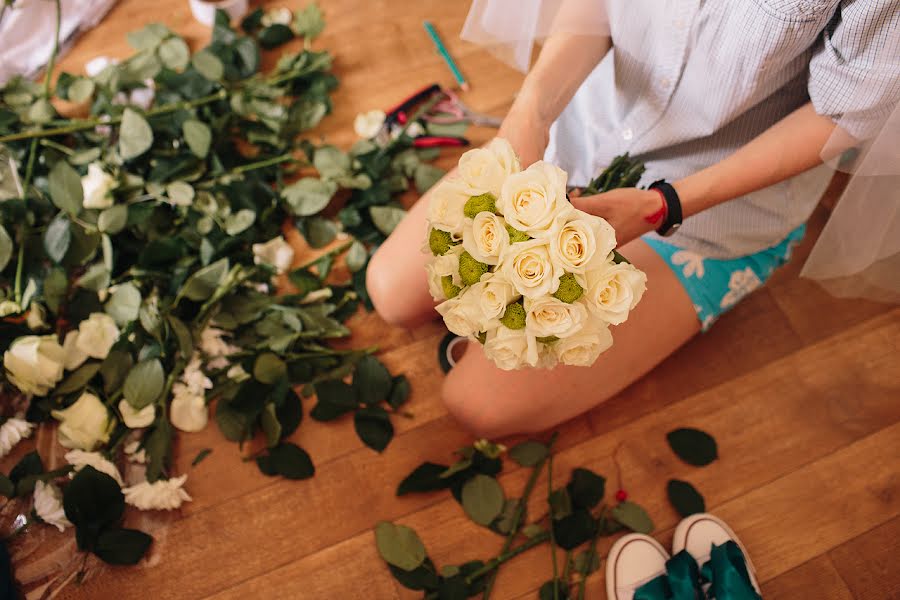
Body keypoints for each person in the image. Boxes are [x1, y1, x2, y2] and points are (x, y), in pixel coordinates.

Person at [366, 1, 900, 438]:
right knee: (390, 290)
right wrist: (529, 117)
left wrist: (662, 205)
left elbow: (843, 113)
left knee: (476, 404)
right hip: (590, 121)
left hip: (722, 199)